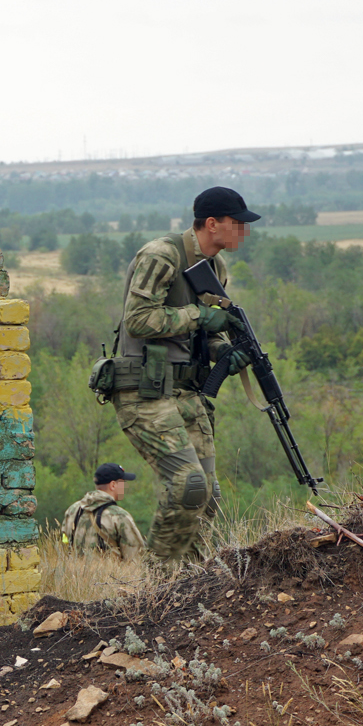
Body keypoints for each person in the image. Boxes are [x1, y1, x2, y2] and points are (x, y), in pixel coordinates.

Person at [110, 186, 257, 562]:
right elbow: (139, 320)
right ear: (212, 224)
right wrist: (200, 315)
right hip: (144, 388)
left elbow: (200, 335)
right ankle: (156, 584)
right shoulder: (162, 256)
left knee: (207, 495)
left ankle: (188, 585)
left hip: (187, 391)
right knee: (187, 485)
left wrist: (222, 349)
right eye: (237, 224)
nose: (245, 231)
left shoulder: (215, 268)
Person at [60, 462, 145, 559]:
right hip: (108, 574)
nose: (126, 486)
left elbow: (64, 544)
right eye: (123, 482)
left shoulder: (73, 510)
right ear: (113, 485)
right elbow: (136, 558)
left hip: (74, 573)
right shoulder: (119, 516)